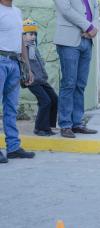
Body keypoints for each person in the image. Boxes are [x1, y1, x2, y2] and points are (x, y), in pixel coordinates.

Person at [53, 0, 99, 138]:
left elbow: (96, 10)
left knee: (80, 84)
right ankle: (65, 125)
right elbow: (66, 10)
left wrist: (93, 28)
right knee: (69, 83)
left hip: (87, 40)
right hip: (68, 40)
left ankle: (77, 123)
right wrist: (88, 27)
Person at [0, 0, 35, 163]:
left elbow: (21, 41)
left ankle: (13, 147)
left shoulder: (17, 11)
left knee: (11, 108)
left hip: (15, 63)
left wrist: (27, 66)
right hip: (1, 60)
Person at [22, 19, 58, 136]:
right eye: (30, 34)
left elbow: (38, 62)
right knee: (45, 101)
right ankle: (39, 128)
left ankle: (48, 126)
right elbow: (24, 64)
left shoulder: (33, 47)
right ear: (23, 36)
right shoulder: (23, 49)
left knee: (54, 98)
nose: (33, 37)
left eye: (34, 34)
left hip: (41, 79)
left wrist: (42, 64)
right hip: (32, 81)